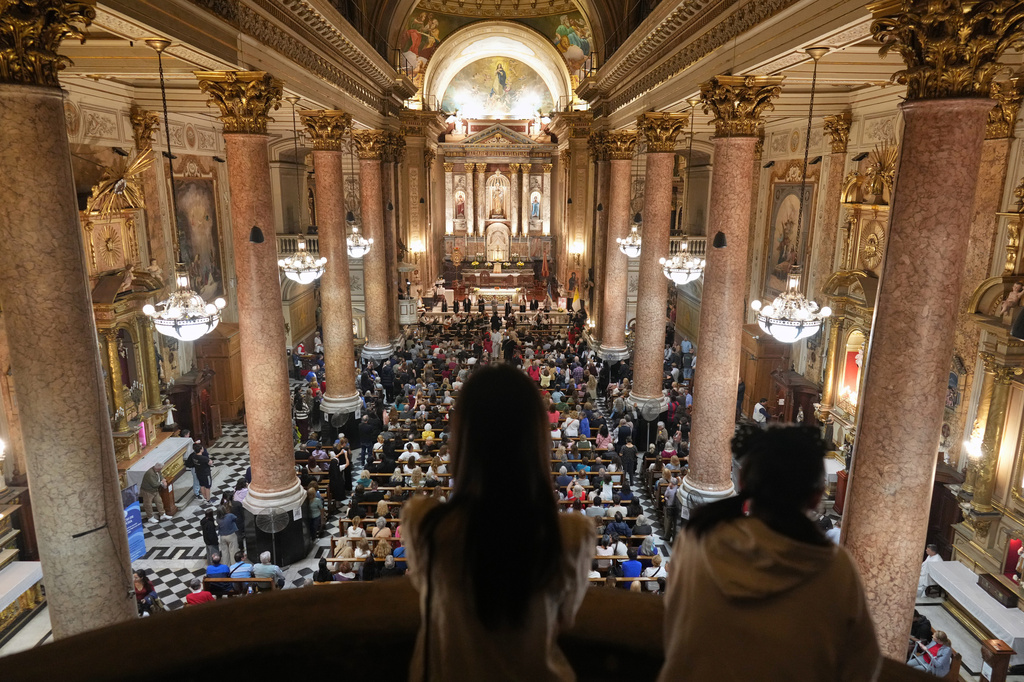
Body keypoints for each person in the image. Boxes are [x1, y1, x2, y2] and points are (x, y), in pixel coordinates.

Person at [401, 364, 595, 681]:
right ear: (536, 439)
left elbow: (428, 592)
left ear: (463, 440)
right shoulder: (570, 536)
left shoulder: (425, 523)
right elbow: (564, 619)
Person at [658, 425, 881, 681]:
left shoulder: (698, 537)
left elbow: (674, 627)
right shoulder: (836, 569)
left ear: (742, 481)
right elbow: (863, 666)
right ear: (816, 496)